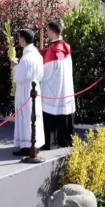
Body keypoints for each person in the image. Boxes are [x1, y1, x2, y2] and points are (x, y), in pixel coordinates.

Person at [40, 21, 76, 150]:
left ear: (53, 31)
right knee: (64, 114)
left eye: (48, 30)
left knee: (51, 113)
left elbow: (45, 74)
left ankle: (51, 143)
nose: (46, 33)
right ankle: (66, 140)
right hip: (66, 88)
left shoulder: (53, 51)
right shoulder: (65, 46)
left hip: (53, 90)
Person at [12, 29, 45, 156]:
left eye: (19, 38)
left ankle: (26, 146)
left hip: (25, 90)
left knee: (26, 117)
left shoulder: (26, 58)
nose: (19, 40)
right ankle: (35, 143)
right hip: (35, 88)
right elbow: (41, 75)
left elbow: (19, 77)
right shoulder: (37, 55)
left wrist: (14, 66)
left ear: (24, 40)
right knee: (34, 116)